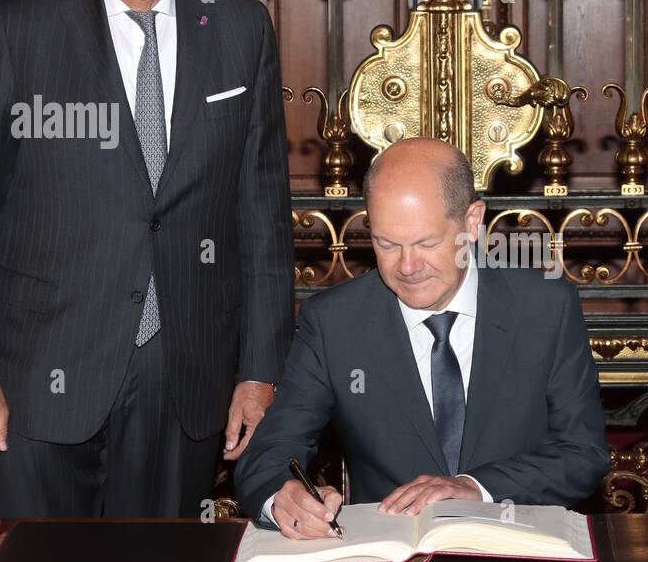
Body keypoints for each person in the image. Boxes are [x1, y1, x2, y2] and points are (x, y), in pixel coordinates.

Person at [0, 0, 294, 517]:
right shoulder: (22, 28)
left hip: (185, 370)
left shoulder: (241, 29)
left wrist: (259, 372)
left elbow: (262, 220)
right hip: (40, 366)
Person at [236, 138, 609, 537]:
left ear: (471, 221)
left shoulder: (545, 308)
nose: (408, 266)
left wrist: (476, 488)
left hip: (519, 556)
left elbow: (583, 455)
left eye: (426, 243)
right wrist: (283, 498)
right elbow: (270, 453)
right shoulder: (334, 322)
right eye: (386, 244)